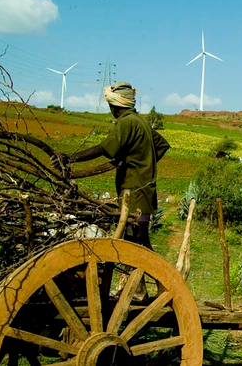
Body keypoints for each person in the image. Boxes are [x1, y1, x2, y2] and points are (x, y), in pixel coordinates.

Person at [52, 81, 170, 249]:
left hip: (133, 189)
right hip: (145, 189)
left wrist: (70, 158)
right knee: (141, 237)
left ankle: (151, 274)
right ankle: (147, 274)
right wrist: (145, 164)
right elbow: (162, 146)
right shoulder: (140, 121)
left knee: (133, 237)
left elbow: (103, 148)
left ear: (115, 105)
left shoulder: (126, 122)